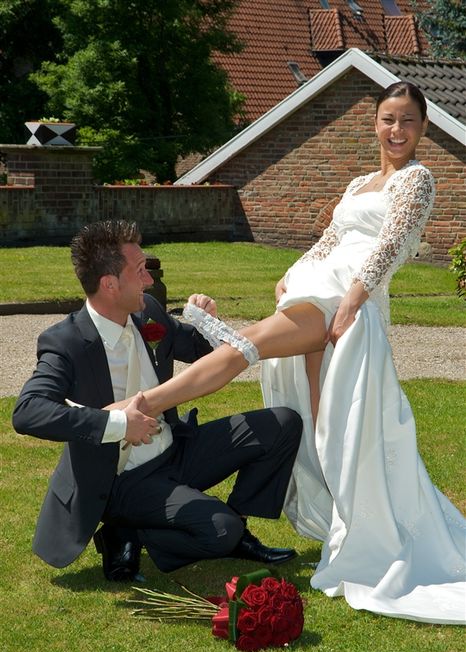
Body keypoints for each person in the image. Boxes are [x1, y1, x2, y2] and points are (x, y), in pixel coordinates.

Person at [114, 82, 466, 623]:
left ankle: (146, 403)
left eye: (409, 122)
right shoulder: (358, 183)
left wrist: (350, 302)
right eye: (389, 119)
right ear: (375, 123)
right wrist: (291, 273)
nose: (397, 131)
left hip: (346, 301)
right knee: (325, 423)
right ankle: (349, 523)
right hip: (318, 289)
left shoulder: (417, 180)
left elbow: (390, 245)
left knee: (242, 349)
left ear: (422, 128)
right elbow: (329, 241)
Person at [12, 220, 303, 582]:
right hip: (123, 478)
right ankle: (128, 525)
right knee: (218, 529)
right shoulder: (65, 342)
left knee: (283, 424)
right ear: (109, 284)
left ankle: (236, 529)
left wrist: (207, 322)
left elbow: (197, 349)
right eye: (139, 272)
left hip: (175, 449)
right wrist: (118, 424)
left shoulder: (147, 310)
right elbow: (28, 412)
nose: (149, 281)